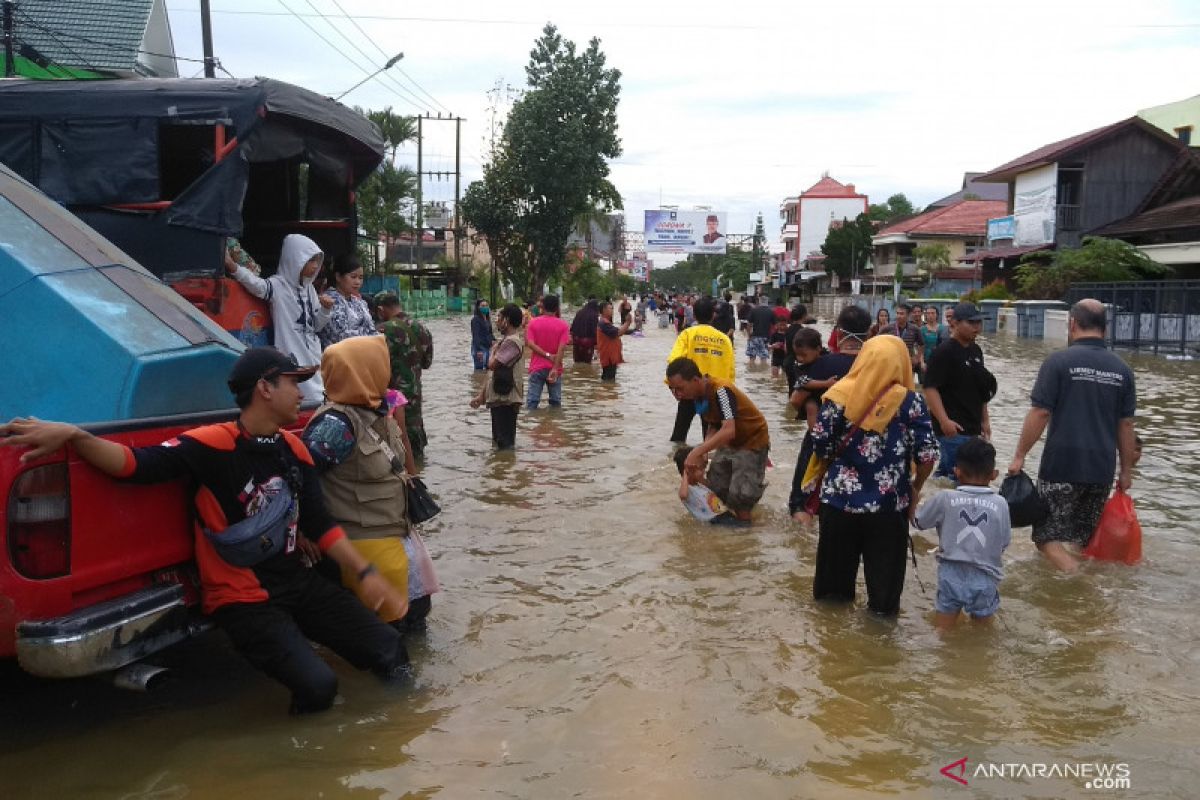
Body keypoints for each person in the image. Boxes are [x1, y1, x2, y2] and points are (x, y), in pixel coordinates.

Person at [0, 348, 410, 713]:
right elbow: (133, 465)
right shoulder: (210, 445)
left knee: (391, 649)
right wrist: (74, 435)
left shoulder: (294, 448)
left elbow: (320, 524)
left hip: (296, 583)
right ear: (264, 389)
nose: (301, 394)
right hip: (242, 599)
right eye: (292, 384)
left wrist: (365, 573)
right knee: (320, 687)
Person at [303, 337, 438, 637]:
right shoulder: (336, 424)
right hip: (364, 542)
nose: (387, 371)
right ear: (364, 370)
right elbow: (300, 478)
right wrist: (304, 530)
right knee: (388, 637)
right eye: (382, 363)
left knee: (415, 623)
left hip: (393, 533)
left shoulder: (374, 409)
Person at [808, 335, 940, 615]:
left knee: (832, 596)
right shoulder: (911, 402)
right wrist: (915, 487)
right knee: (884, 599)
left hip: (838, 504)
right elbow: (927, 456)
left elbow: (819, 443)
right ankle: (879, 653)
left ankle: (832, 651)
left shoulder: (838, 395)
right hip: (889, 507)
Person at [1007, 299, 1137, 573]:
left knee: (1045, 538)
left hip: (1062, 465)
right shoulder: (1122, 370)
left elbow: (1040, 413)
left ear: (1072, 324)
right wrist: (1125, 471)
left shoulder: (1059, 361)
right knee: (1082, 539)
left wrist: (1019, 455)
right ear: (1105, 328)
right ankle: (1078, 597)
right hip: (1101, 470)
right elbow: (1125, 425)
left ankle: (1078, 581)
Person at [913, 437, 1011, 630]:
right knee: (983, 634)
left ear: (956, 471)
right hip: (985, 577)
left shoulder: (945, 498)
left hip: (951, 575)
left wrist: (913, 500)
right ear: (994, 474)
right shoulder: (1001, 503)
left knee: (943, 632)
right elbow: (1004, 542)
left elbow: (919, 522)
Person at [787, 305, 870, 521]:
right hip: (865, 442)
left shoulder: (821, 364)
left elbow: (795, 400)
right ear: (870, 333)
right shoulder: (876, 366)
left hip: (822, 440)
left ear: (839, 333)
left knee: (802, 503)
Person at [226, 233, 332, 402]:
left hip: (313, 354)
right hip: (292, 352)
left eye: (317, 261)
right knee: (302, 396)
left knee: (320, 395)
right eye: (311, 260)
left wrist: (326, 310)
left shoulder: (309, 289)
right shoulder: (278, 286)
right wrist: (233, 267)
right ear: (295, 259)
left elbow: (315, 326)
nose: (315, 266)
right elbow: (256, 285)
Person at [666, 357, 770, 523]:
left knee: (741, 496)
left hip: (751, 441)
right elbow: (713, 424)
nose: (678, 394)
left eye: (680, 388)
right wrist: (705, 450)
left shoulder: (722, 391)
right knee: (717, 486)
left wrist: (696, 451)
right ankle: (726, 533)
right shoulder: (697, 395)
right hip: (730, 442)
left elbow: (729, 429)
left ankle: (745, 533)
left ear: (695, 380)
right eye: (673, 389)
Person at [923, 302, 996, 478]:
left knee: (949, 476)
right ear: (954, 323)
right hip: (953, 428)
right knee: (960, 477)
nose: (976, 327)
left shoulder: (976, 351)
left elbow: (981, 389)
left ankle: (931, 496)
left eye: (979, 323)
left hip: (973, 427)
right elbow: (930, 389)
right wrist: (944, 421)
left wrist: (985, 420)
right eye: (971, 323)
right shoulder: (944, 352)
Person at [666, 296, 735, 443]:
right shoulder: (724, 339)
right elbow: (730, 372)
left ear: (695, 315)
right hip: (713, 394)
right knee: (710, 438)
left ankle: (675, 462)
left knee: (678, 436)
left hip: (689, 391)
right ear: (713, 315)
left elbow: (674, 362)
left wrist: (673, 388)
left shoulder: (687, 334)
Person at [381, 303, 434, 459]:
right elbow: (427, 363)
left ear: (380, 309)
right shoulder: (422, 328)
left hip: (391, 391)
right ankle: (418, 463)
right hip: (414, 389)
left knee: (394, 426)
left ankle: (405, 466)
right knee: (415, 423)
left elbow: (376, 363)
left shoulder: (384, 330)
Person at [470, 303, 526, 449]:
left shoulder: (512, 342)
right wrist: (481, 396)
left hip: (506, 401)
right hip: (500, 399)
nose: (496, 321)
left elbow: (492, 365)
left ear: (506, 320)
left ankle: (505, 470)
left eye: (499, 317)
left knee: (504, 446)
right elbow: (491, 375)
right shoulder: (505, 342)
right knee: (498, 444)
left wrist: (493, 351)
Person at [317, 254, 376, 349]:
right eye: (353, 277)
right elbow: (340, 336)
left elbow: (372, 329)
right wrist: (367, 334)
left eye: (360, 278)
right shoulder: (329, 300)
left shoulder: (358, 302)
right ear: (338, 277)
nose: (357, 282)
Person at [524, 294, 571, 409]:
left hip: (537, 367)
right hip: (555, 368)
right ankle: (553, 425)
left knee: (532, 403)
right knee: (555, 404)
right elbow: (561, 348)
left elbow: (530, 344)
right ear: (557, 308)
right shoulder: (563, 325)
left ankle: (532, 426)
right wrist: (554, 367)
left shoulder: (533, 323)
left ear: (542, 307)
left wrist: (547, 355)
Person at [673, 446, 737, 525]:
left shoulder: (700, 484)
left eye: (704, 467)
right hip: (715, 520)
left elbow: (710, 485)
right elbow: (683, 495)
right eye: (701, 468)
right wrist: (685, 473)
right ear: (688, 471)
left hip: (723, 514)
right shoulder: (688, 489)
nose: (704, 471)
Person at [879, 302, 923, 376]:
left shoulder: (914, 329)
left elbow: (921, 344)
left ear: (908, 315)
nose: (898, 316)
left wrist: (917, 358)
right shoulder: (887, 328)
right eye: (897, 313)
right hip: (891, 362)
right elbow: (877, 341)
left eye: (902, 314)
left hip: (908, 363)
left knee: (907, 386)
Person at [596, 299, 634, 381]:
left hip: (610, 356)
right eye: (610, 308)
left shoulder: (605, 322)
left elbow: (617, 331)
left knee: (609, 381)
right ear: (604, 310)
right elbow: (618, 332)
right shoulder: (604, 323)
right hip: (609, 357)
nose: (612, 311)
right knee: (608, 380)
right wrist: (627, 322)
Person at [569, 299, 600, 364]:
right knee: (587, 363)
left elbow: (572, 328)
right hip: (588, 343)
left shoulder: (579, 312)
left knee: (577, 363)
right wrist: (597, 344)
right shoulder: (594, 315)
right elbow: (595, 330)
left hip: (577, 341)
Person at [746, 296, 775, 364]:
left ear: (759, 301)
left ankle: (751, 371)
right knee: (763, 358)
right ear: (767, 302)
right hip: (765, 338)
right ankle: (762, 371)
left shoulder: (754, 310)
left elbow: (749, 324)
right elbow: (774, 326)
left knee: (752, 358)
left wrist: (749, 335)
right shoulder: (771, 311)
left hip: (754, 337)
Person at [470, 299, 495, 370]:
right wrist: (478, 351)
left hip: (487, 347)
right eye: (483, 306)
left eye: (486, 305)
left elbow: (490, 333)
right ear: (478, 308)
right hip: (479, 348)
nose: (485, 307)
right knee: (479, 370)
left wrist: (494, 340)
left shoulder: (487, 319)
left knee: (488, 368)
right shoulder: (475, 319)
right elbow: (476, 335)